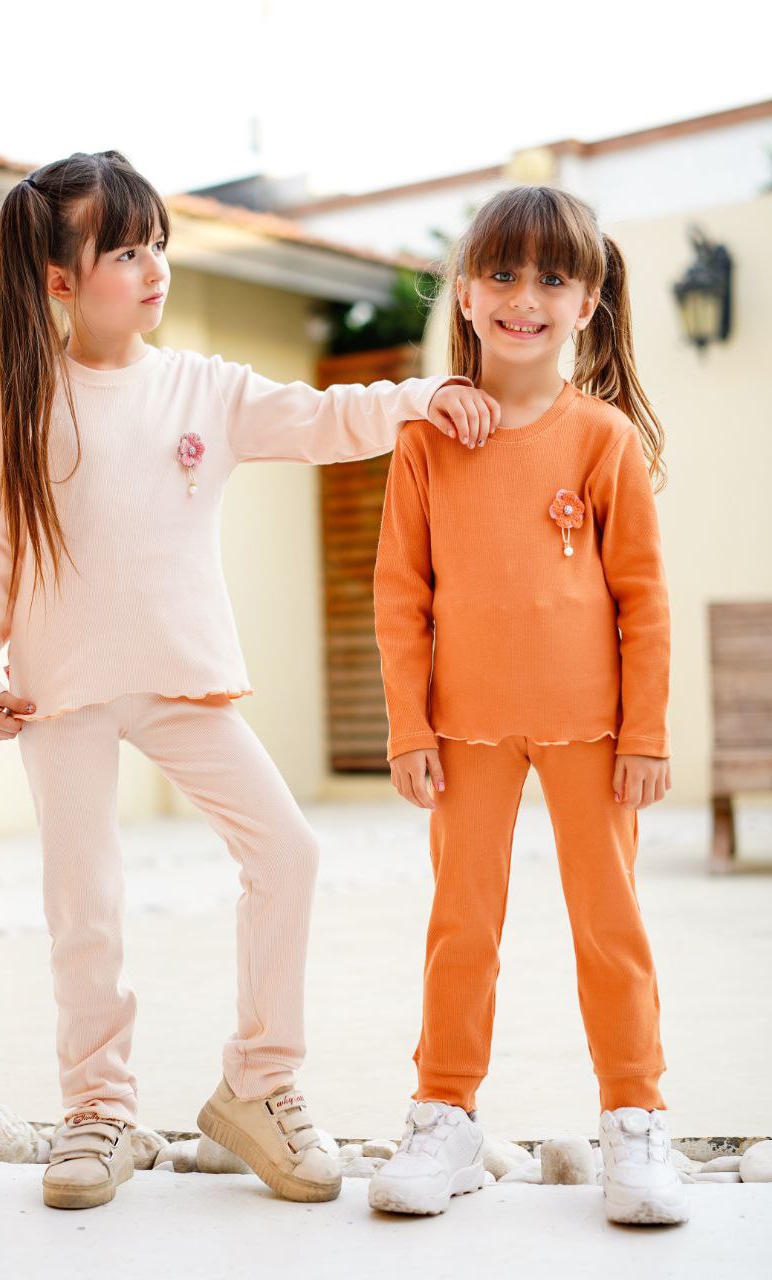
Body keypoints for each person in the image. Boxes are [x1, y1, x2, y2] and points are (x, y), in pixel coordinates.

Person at [0, 149, 497, 1210]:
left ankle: (258, 1080)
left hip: (182, 681)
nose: (153, 267)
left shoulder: (206, 389)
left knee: (287, 851)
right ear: (59, 280)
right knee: (85, 903)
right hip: (58, 693)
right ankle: (98, 1107)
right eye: (123, 251)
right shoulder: (19, 404)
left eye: (158, 244)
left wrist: (422, 396)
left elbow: (323, 417)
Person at [369, 184, 688, 1226]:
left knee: (610, 926)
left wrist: (646, 733)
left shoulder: (603, 439)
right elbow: (400, 595)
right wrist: (408, 727)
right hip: (462, 732)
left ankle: (634, 1117)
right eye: (501, 273)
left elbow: (643, 599)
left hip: (595, 734)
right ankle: (444, 1115)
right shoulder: (424, 439)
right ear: (464, 293)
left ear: (587, 301)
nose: (524, 297)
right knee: (460, 927)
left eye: (552, 278)